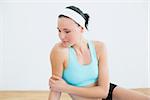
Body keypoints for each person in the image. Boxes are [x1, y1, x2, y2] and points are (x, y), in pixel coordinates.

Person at [48, 6, 150, 100]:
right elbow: (56, 89)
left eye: (67, 31)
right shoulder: (59, 51)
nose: (61, 36)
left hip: (110, 93)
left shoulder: (99, 47)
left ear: (81, 29)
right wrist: (61, 88)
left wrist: (67, 88)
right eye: (59, 30)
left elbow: (104, 92)